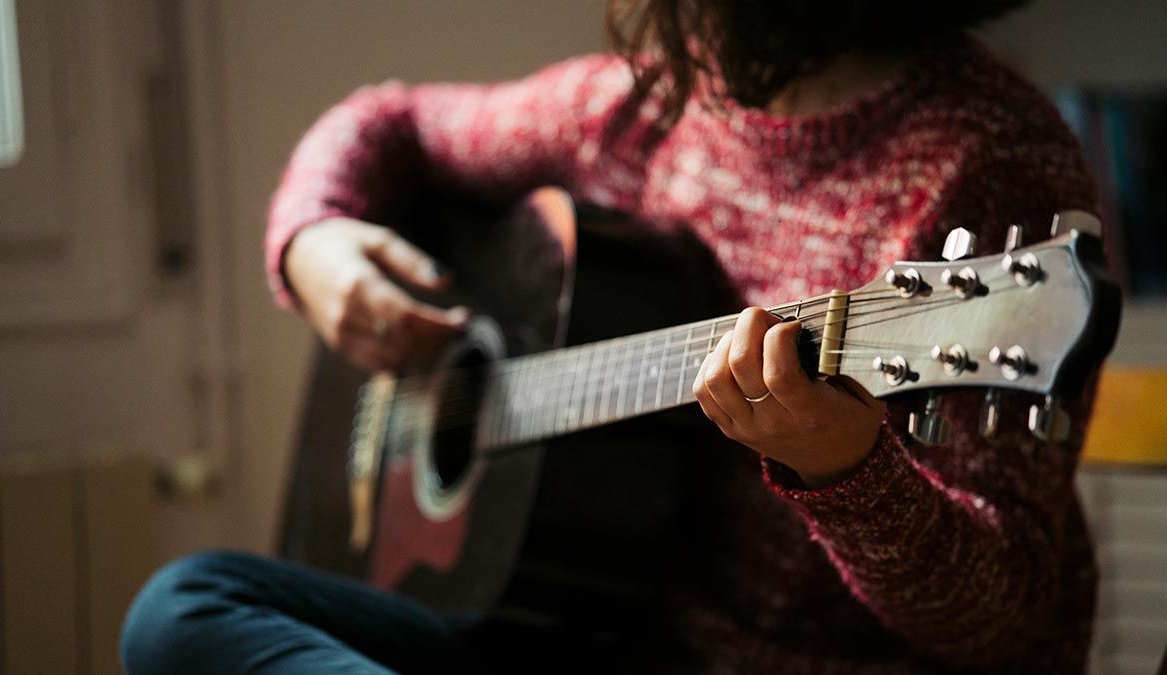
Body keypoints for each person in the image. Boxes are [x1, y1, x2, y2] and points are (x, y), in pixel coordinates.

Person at [121, 1, 1105, 672]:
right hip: (600, 636)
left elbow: (1004, 619)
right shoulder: (644, 107)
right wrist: (317, 241)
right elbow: (387, 120)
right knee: (181, 609)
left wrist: (848, 472)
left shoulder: (988, 164)